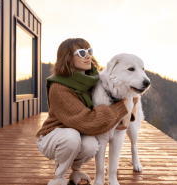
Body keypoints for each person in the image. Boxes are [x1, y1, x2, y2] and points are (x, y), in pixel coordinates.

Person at [36, 38, 136, 185]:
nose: (88, 56)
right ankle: (59, 176)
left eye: (89, 51)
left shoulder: (93, 79)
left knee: (91, 145)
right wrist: (123, 106)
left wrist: (129, 114)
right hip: (54, 134)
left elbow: (129, 90)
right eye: (82, 53)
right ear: (68, 58)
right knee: (72, 137)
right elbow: (89, 121)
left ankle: (75, 171)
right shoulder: (59, 88)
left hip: (78, 132)